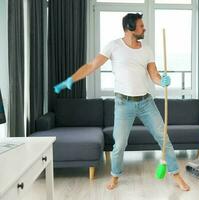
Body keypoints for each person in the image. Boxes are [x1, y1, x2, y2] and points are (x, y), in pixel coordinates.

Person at [54, 13, 190, 191]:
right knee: (119, 145)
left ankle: (176, 175)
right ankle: (115, 176)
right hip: (123, 103)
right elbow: (91, 66)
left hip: (146, 102)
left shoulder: (147, 49)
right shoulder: (113, 46)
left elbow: (154, 74)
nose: (144, 28)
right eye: (141, 26)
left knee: (164, 139)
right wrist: (71, 79)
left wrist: (162, 80)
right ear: (130, 28)